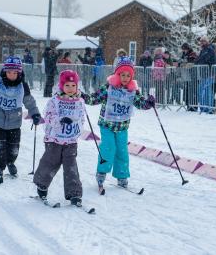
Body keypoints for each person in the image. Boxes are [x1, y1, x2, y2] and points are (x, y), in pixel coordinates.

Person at [82, 57, 155, 192]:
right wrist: (84, 97)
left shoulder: (132, 90)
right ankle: (101, 173)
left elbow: (140, 103)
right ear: (117, 74)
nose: (125, 78)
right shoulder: (109, 87)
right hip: (107, 125)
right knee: (108, 148)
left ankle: (122, 176)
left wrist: (148, 103)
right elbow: (94, 99)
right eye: (123, 75)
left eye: (128, 75)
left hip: (122, 127)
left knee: (122, 151)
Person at [0, 56, 41, 180]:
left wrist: (35, 114)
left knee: (14, 146)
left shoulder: (23, 86)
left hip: (14, 121)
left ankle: (10, 162)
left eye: (15, 72)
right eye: (9, 72)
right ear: (5, 71)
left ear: (19, 72)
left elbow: (29, 102)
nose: (12, 74)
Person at [33, 70, 85, 206]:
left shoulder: (79, 101)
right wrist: (60, 120)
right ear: (62, 86)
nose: (70, 89)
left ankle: (74, 194)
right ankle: (42, 186)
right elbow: (48, 117)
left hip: (71, 141)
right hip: (54, 140)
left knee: (71, 167)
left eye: (73, 86)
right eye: (67, 85)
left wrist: (77, 128)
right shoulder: (54, 100)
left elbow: (81, 118)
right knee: (50, 163)